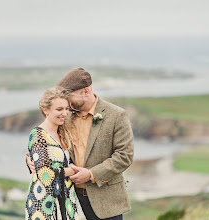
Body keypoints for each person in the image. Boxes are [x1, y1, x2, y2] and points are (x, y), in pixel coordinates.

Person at [27, 68, 134, 220]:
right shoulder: (65, 115)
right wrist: (30, 159)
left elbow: (125, 156)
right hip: (71, 200)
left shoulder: (116, 115)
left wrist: (91, 174)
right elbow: (46, 142)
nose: (67, 102)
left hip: (106, 201)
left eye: (69, 96)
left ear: (85, 91)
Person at [25, 87, 86, 220]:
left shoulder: (62, 132)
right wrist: (72, 171)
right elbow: (44, 174)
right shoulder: (37, 135)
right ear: (45, 110)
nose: (64, 113)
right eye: (59, 109)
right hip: (45, 204)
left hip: (67, 200)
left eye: (66, 109)